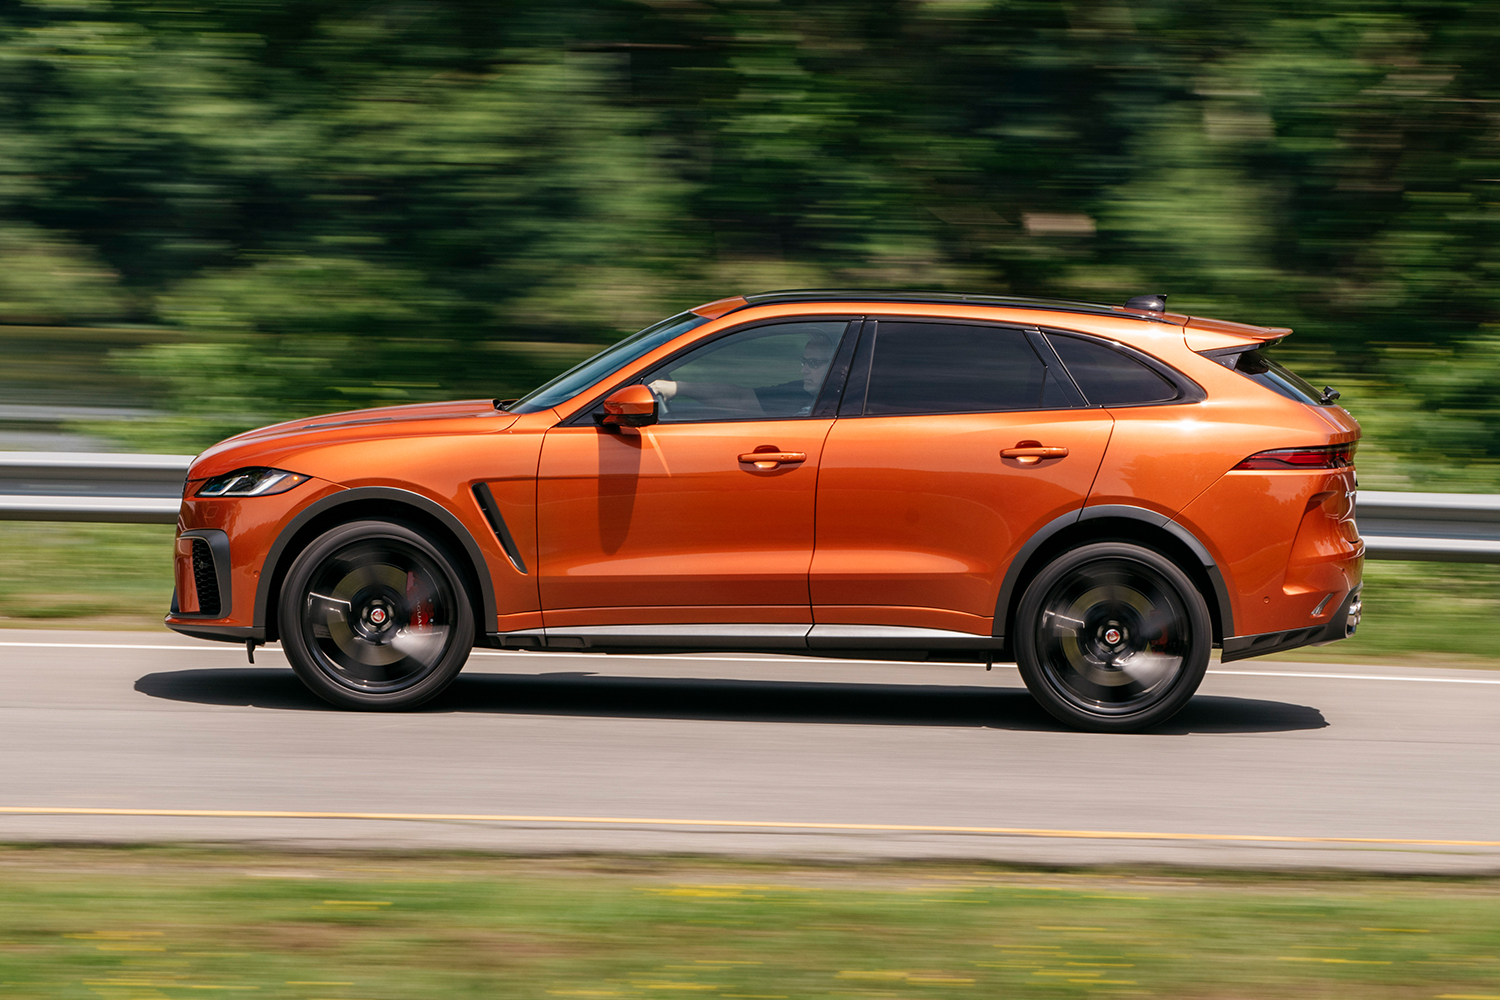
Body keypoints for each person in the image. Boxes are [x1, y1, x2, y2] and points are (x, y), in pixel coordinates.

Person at [647, 332, 835, 419]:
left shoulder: (850, 404)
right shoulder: (800, 392)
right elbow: (740, 397)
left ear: (838, 367)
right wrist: (678, 388)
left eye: (813, 364)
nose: (804, 370)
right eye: (804, 362)